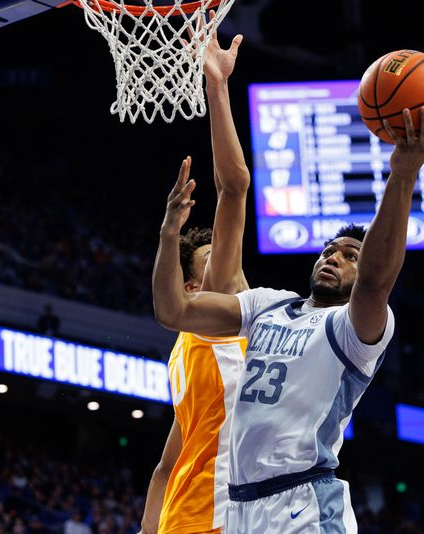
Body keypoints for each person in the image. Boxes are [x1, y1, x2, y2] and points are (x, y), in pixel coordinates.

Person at [153, 106, 424, 532]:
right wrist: (168, 234)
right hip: (240, 508)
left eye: (351, 256)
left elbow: (375, 281)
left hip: (303, 501)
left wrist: (402, 174)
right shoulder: (267, 305)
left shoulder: (353, 330)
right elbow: (173, 311)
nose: (335, 258)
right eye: (330, 251)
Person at [140, 29, 251, 534]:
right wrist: (217, 88)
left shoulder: (195, 351)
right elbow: (234, 187)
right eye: (211, 259)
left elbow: (166, 467)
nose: (230, 266)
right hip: (213, 518)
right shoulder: (212, 317)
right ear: (191, 288)